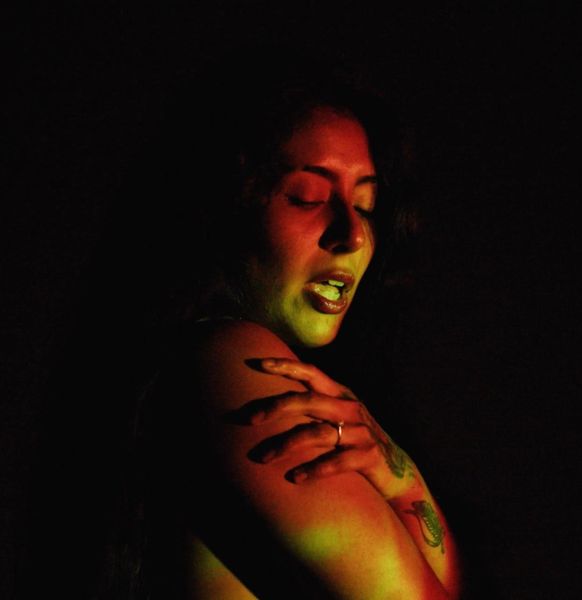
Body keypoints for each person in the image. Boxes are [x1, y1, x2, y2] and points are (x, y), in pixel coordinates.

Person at [21, 48, 460, 600]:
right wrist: (403, 480)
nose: (351, 234)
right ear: (224, 208)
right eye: (307, 197)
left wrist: (395, 470)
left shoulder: (185, 369)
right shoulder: (236, 363)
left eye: (367, 206)